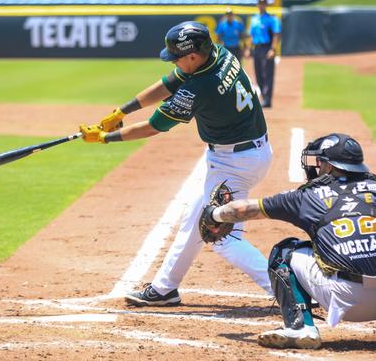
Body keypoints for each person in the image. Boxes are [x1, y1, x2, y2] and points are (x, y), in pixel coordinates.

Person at [77, 21, 273, 305]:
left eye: (178, 57)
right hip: (246, 153)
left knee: (223, 237)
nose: (176, 63)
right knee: (194, 220)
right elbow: (171, 81)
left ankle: (286, 288)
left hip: (235, 163)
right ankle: (165, 288)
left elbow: (154, 126)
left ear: (193, 55)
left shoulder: (201, 86)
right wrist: (123, 110)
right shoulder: (218, 53)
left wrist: (106, 137)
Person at [201, 133, 376, 350]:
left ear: (330, 167)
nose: (317, 167)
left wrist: (214, 214)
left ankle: (300, 327)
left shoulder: (305, 197)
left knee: (285, 251)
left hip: (345, 301)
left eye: (320, 162)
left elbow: (243, 209)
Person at [245, 0, 281, 108]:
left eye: (263, 3)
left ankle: (267, 99)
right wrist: (248, 48)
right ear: (257, 4)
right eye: (260, 3)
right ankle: (264, 97)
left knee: (268, 74)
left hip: (267, 47)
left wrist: (273, 49)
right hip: (257, 48)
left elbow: (276, 35)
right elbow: (251, 35)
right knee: (258, 74)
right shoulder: (254, 19)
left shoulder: (272, 19)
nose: (261, 5)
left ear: (266, 5)